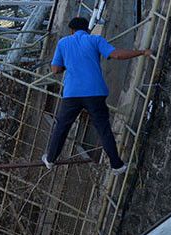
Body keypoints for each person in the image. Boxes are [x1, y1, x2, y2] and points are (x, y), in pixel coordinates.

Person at [42, 16, 150, 173]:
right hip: (95, 92)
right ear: (87, 29)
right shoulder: (95, 40)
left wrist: (68, 65)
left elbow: (55, 70)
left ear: (71, 30)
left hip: (72, 93)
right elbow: (117, 55)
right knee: (103, 128)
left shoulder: (63, 43)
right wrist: (141, 52)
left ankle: (50, 159)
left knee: (62, 127)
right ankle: (117, 165)